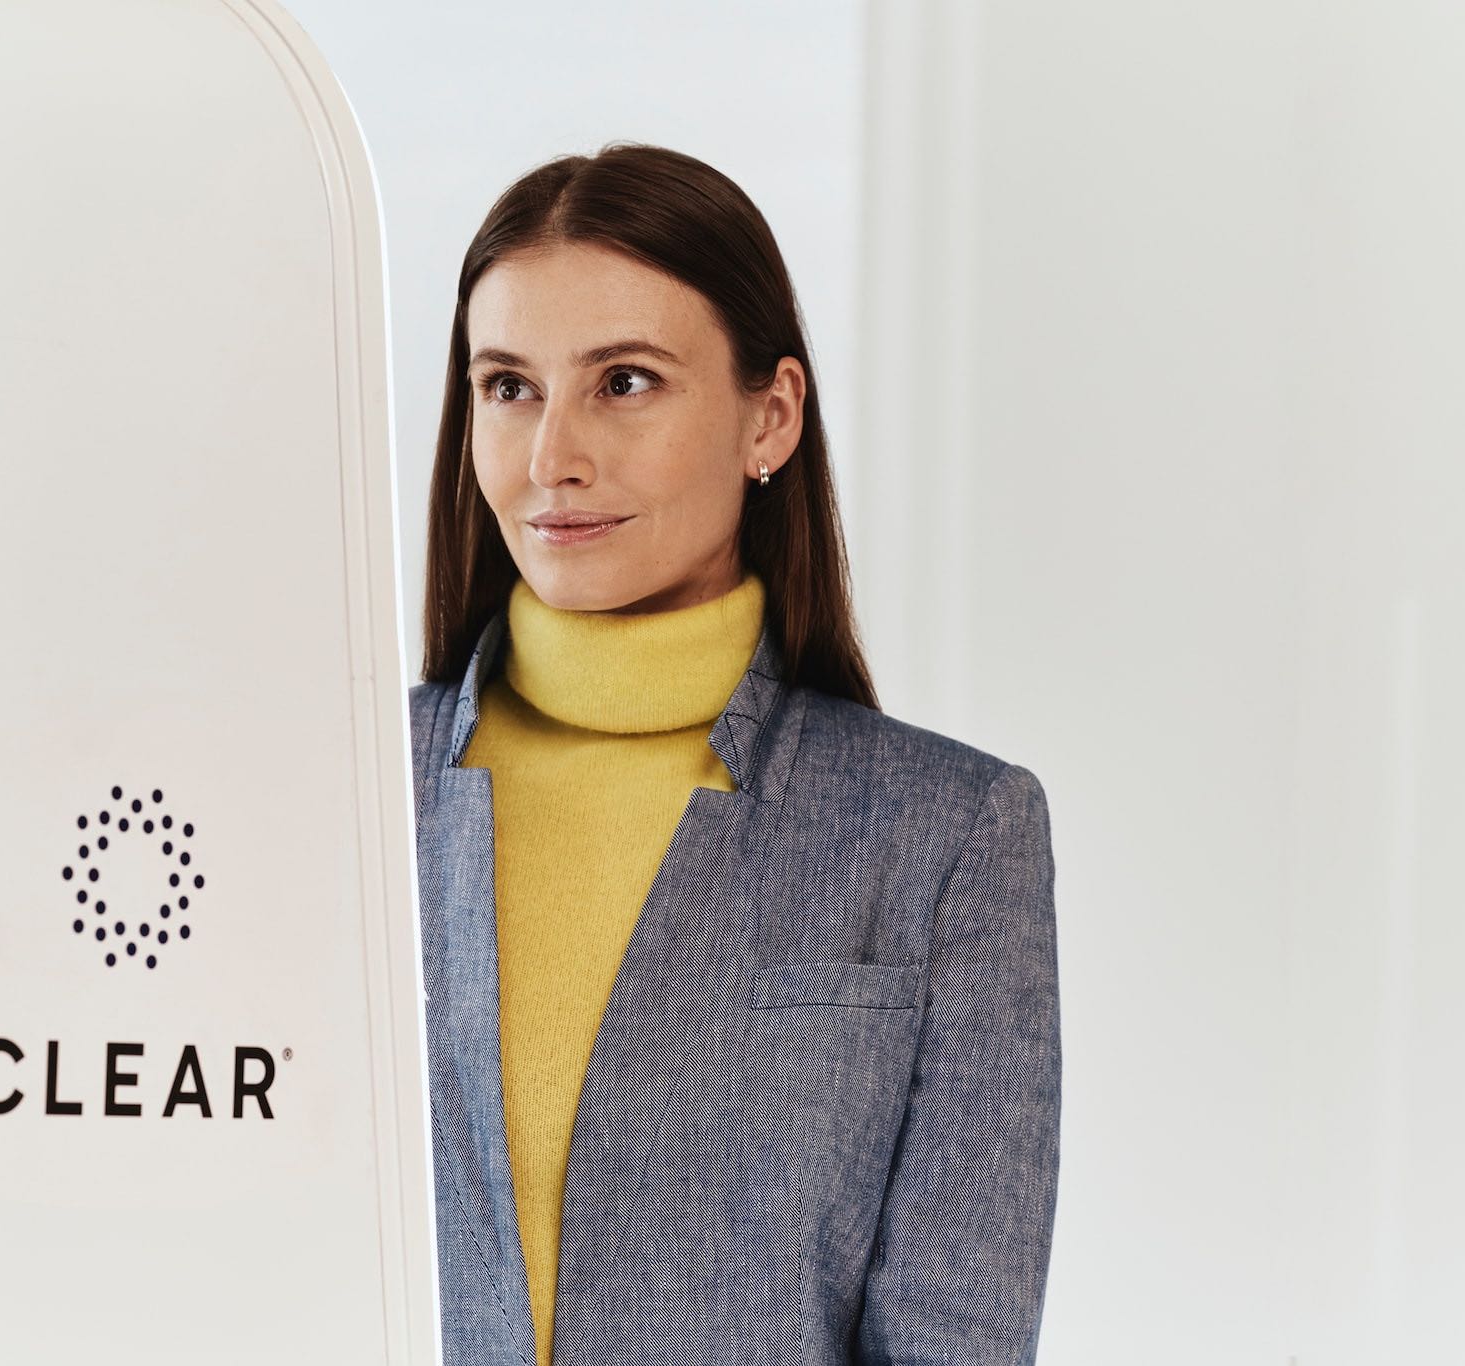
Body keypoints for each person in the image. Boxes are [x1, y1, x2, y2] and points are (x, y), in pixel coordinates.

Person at [406, 141, 1060, 1366]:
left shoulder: (944, 836)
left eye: (625, 382)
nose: (551, 455)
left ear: (769, 415)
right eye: (507, 386)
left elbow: (952, 1342)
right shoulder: (342, 797)